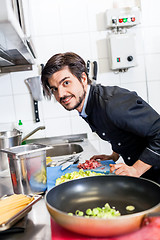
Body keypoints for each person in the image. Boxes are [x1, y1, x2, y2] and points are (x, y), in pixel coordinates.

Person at [41, 52, 160, 183]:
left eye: (66, 83)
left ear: (83, 78)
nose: (61, 94)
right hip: (147, 177)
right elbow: (120, 130)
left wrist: (136, 169)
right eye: (54, 89)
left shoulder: (112, 104)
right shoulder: (88, 106)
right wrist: (113, 156)